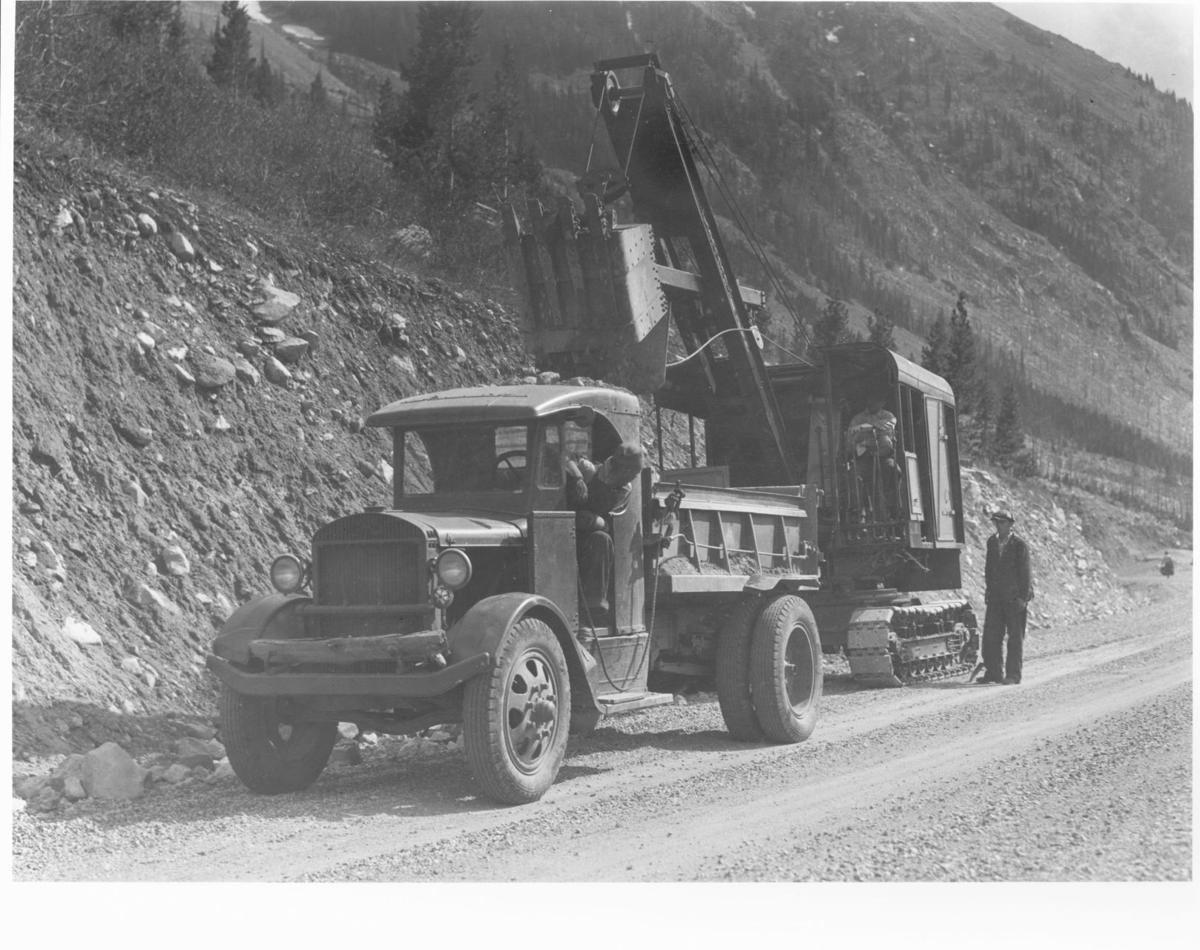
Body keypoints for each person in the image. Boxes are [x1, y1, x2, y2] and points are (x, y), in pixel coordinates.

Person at [565, 441, 645, 625]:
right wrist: (577, 476)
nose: (633, 478)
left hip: (587, 532)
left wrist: (596, 521)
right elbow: (561, 454)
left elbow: (610, 519)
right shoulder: (588, 470)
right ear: (623, 470)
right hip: (561, 523)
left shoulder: (624, 490)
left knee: (602, 541)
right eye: (632, 473)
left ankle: (592, 608)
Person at [978, 508, 1034, 685]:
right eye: (996, 522)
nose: (998, 526)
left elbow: (1025, 574)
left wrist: (1022, 599)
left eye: (1002, 522)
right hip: (996, 598)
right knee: (991, 637)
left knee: (1015, 638)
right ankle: (994, 673)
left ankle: (1013, 675)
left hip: (1014, 599)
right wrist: (988, 590)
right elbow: (989, 569)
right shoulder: (992, 543)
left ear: (1010, 525)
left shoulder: (1019, 545)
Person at [847, 394, 899, 519]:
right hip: (864, 458)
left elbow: (888, 426)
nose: (874, 402)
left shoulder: (888, 416)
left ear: (883, 402)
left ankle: (892, 509)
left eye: (878, 400)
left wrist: (865, 429)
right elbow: (851, 436)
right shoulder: (857, 418)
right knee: (853, 474)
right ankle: (859, 513)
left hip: (884, 457)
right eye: (872, 399)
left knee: (893, 469)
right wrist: (870, 434)